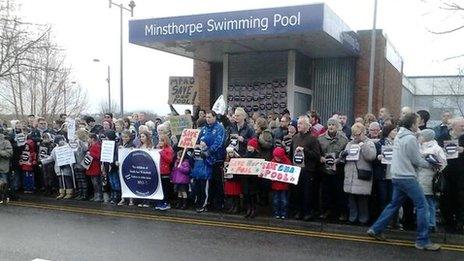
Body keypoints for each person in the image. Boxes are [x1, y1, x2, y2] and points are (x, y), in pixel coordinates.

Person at [368, 113, 441, 251]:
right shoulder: (410, 139)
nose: (418, 125)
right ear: (412, 124)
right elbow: (417, 160)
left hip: (396, 175)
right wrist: (433, 165)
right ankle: (423, 240)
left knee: (394, 204)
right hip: (407, 176)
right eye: (417, 122)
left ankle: (376, 229)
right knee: (422, 206)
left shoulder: (400, 136)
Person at [342, 123, 376, 225]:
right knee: (351, 199)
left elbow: (371, 156)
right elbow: (343, 157)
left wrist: (363, 146)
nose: (356, 136)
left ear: (363, 132)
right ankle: (352, 218)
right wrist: (342, 155)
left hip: (362, 175)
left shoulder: (369, 143)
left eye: (358, 134)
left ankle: (363, 219)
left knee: (362, 200)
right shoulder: (349, 143)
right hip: (350, 175)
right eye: (354, 134)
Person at [291, 115, 322, 221]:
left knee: (307, 193)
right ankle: (298, 211)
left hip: (308, 171)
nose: (298, 125)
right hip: (296, 169)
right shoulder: (295, 137)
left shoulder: (313, 139)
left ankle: (307, 212)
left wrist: (304, 150)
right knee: (297, 192)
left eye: (301, 123)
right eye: (298, 123)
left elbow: (317, 156)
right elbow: (291, 153)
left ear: (308, 126)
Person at [318, 118, 348, 221]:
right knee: (326, 193)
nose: (331, 126)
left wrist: (339, 160)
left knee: (339, 193)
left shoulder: (343, 139)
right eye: (329, 124)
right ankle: (326, 211)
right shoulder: (320, 139)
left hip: (338, 170)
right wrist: (320, 158)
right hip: (325, 170)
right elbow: (317, 152)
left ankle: (341, 212)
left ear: (337, 126)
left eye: (333, 125)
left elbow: (345, 154)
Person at [417, 129, 447, 232]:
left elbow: (443, 163)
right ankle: (428, 223)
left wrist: (432, 163)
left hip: (430, 178)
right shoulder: (419, 146)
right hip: (420, 178)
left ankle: (430, 223)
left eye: (421, 136)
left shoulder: (436, 148)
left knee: (428, 202)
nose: (419, 138)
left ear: (426, 137)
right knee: (425, 202)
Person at [439, 117, 464, 231]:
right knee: (446, 194)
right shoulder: (443, 137)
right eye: (461, 126)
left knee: (461, 196)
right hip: (447, 171)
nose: (463, 128)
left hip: (461, 171)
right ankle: (447, 219)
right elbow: (437, 150)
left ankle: (460, 220)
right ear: (454, 126)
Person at [198, 111, 226, 211]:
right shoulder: (204, 129)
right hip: (205, 161)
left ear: (214, 117)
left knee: (217, 183)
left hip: (216, 159)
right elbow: (198, 140)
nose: (207, 119)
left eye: (210, 117)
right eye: (206, 117)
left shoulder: (220, 128)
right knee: (208, 183)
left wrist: (209, 151)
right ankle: (208, 204)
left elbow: (219, 142)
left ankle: (219, 204)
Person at [41, 135, 74, 199]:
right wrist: (42, 161)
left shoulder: (68, 147)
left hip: (66, 167)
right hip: (58, 167)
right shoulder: (55, 149)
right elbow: (51, 158)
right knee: (61, 180)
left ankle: (69, 192)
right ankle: (62, 192)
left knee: (67, 179)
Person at [241, 138, 260, 218]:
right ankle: (249, 209)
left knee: (253, 195)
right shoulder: (245, 155)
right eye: (248, 146)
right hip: (246, 179)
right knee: (247, 195)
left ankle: (253, 209)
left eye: (251, 146)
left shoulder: (258, 156)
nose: (249, 147)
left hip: (254, 180)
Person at [271, 147, 291, 219]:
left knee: (284, 201)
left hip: (284, 186)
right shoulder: (273, 161)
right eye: (275, 157)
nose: (276, 158)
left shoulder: (287, 162)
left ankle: (284, 213)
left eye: (278, 157)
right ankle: (277, 213)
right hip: (275, 185)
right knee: (275, 201)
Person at [155, 134, 174, 211]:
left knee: (165, 188)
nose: (160, 142)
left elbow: (169, 160)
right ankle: (161, 202)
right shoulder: (159, 149)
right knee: (160, 188)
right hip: (159, 171)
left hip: (165, 172)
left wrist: (162, 153)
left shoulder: (169, 149)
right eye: (159, 140)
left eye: (162, 141)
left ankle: (166, 202)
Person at [117, 130, 136, 206]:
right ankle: (123, 198)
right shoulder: (119, 144)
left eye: (126, 137)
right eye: (123, 137)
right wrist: (116, 161)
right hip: (120, 166)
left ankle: (131, 199)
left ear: (129, 137)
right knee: (122, 182)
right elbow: (116, 154)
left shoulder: (132, 145)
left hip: (129, 166)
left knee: (130, 182)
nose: (124, 138)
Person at [223, 146, 242, 214]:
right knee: (231, 195)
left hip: (235, 180)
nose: (230, 154)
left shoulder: (238, 159)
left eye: (231, 152)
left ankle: (237, 207)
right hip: (229, 179)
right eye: (229, 153)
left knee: (236, 195)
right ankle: (233, 206)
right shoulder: (226, 160)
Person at [73, 129, 89, 200]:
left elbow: (86, 149)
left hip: (82, 165)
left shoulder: (84, 142)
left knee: (83, 180)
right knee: (78, 180)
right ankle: (80, 193)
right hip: (76, 164)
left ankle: (85, 194)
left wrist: (80, 141)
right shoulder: (75, 144)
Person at [86, 134, 103, 202]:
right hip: (91, 166)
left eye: (89, 138)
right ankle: (95, 195)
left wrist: (90, 154)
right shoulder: (91, 146)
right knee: (93, 183)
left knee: (96, 182)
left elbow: (98, 156)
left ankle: (99, 195)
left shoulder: (97, 146)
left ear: (92, 139)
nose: (88, 140)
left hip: (95, 166)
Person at [0, 132, 13, 202]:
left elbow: (9, 153)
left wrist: (0, 152)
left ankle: (4, 197)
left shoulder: (6, 142)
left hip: (3, 167)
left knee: (4, 184)